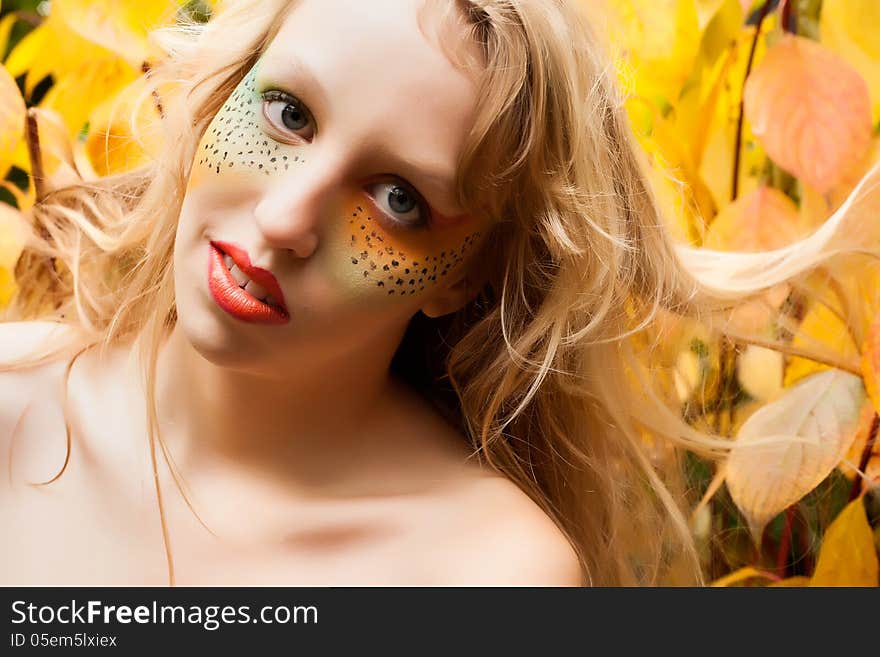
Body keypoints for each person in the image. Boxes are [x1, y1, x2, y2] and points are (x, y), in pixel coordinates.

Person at [1, 0, 877, 586]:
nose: (284, 218)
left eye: (397, 199)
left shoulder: (485, 572)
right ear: (224, 86)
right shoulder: (12, 408)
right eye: (289, 114)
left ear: (465, 274)